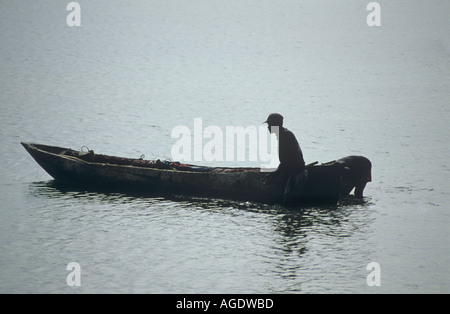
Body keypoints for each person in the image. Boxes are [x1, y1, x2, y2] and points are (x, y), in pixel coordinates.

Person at [262, 113, 308, 199]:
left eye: (269, 125)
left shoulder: (285, 136)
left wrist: (273, 175)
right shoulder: (284, 135)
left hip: (297, 174)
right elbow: (286, 162)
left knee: (289, 202)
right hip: (296, 172)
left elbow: (286, 162)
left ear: (276, 125)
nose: (268, 127)